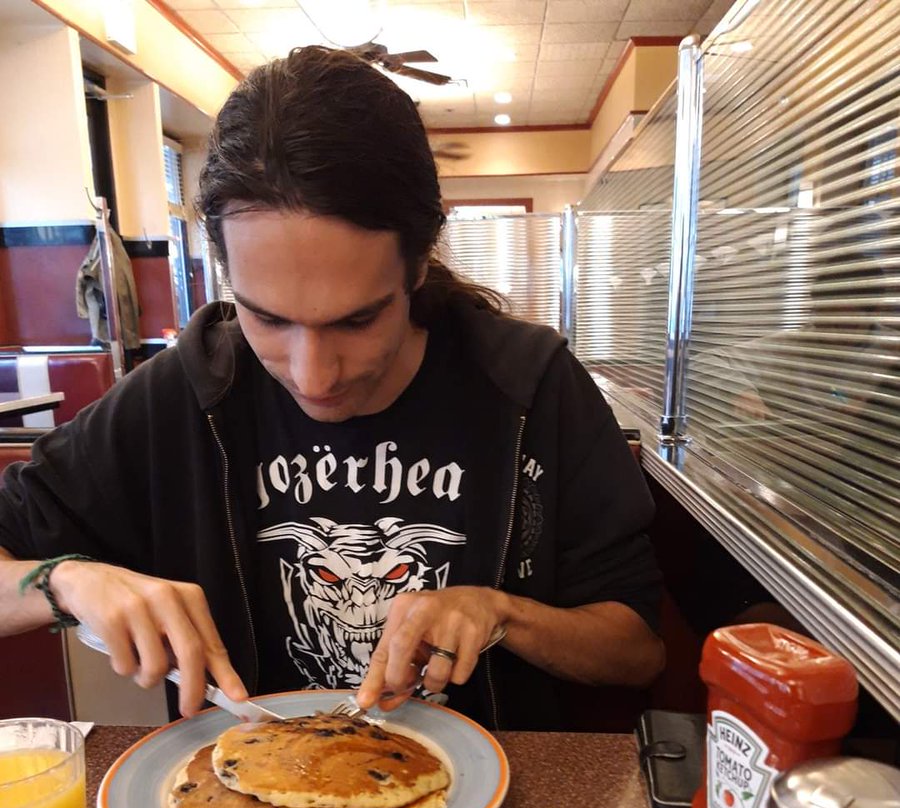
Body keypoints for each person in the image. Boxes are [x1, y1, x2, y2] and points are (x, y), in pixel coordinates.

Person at [0, 46, 664, 731]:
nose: (314, 376)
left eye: (357, 319)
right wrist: (65, 582)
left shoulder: (530, 385)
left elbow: (637, 651)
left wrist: (503, 613)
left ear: (417, 263)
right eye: (267, 317)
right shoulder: (184, 392)